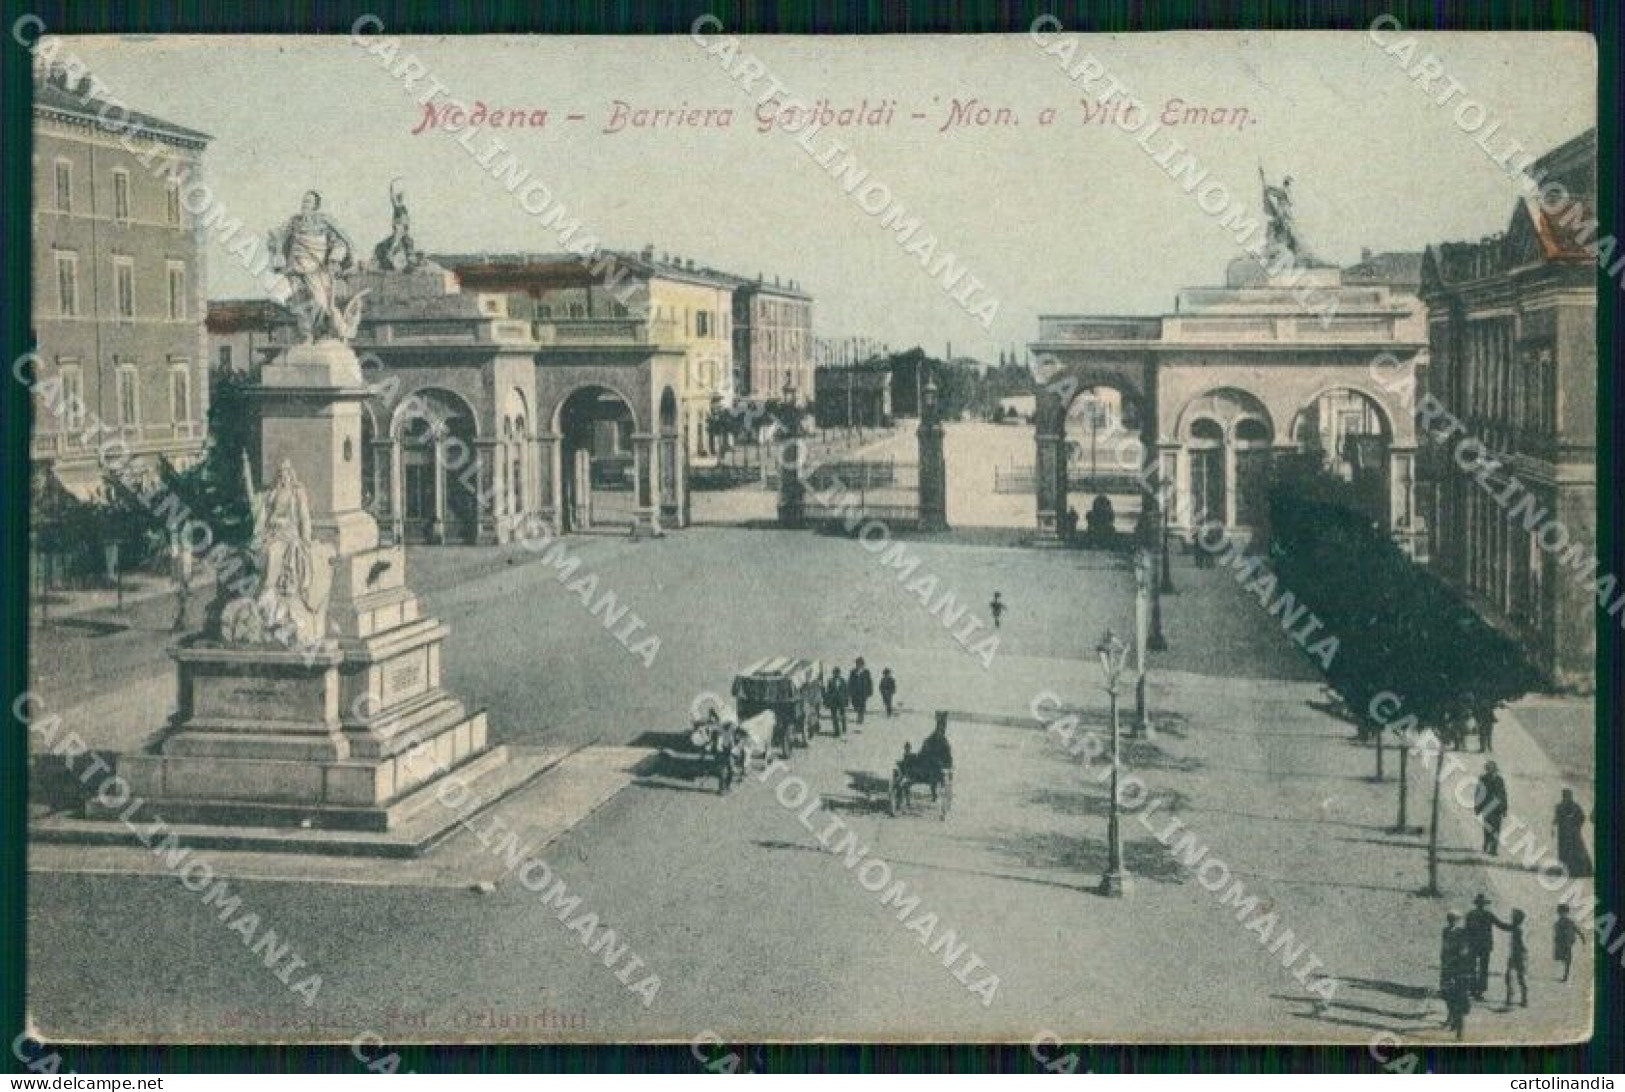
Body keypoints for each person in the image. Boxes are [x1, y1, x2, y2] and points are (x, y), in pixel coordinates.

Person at [1464, 893, 1507, 1000]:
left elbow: (1466, 931)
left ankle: (1473, 989)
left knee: (1472, 968)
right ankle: (1480, 991)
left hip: (1473, 945)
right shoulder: (1488, 914)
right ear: (1483, 904)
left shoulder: (1470, 914)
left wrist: (1465, 943)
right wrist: (1513, 926)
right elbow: (1501, 925)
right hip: (1485, 946)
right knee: (1483, 969)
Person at [1440, 912, 1471, 1039]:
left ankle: (1460, 1031)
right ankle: (1451, 1017)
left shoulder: (1461, 933)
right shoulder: (1445, 931)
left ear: (1458, 920)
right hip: (1446, 968)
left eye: (1454, 919)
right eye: (1450, 919)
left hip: (1459, 970)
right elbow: (1443, 949)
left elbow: (1464, 952)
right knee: (1446, 994)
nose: (1451, 921)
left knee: (1459, 998)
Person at [1554, 789, 1593, 879]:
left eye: (1567, 795)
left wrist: (1576, 826)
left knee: (1576, 851)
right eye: (1564, 796)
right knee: (1564, 852)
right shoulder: (1559, 807)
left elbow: (1582, 817)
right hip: (1563, 834)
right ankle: (1566, 869)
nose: (1566, 797)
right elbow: (1556, 818)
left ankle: (1580, 871)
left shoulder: (1575, 807)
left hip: (1573, 834)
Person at [1475, 761, 1508, 856]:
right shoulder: (1483, 779)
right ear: (1487, 770)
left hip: (1497, 809)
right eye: (1489, 770)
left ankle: (1493, 849)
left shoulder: (1500, 780)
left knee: (1497, 829)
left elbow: (1503, 794)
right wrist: (1477, 808)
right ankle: (1486, 843)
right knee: (1487, 828)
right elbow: (1478, 794)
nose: (1491, 772)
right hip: (1487, 807)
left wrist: (1504, 808)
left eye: (1492, 770)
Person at [1503, 908, 1528, 1008]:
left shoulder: (1517, 929)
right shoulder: (1517, 928)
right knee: (1516, 977)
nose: (1511, 918)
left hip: (1517, 956)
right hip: (1517, 955)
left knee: (1512, 977)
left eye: (1513, 917)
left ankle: (1513, 998)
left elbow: (1522, 944)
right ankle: (1522, 999)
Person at [1554, 904, 1584, 982]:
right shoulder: (1559, 922)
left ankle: (1565, 977)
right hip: (1562, 943)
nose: (1561, 914)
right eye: (1560, 912)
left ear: (1566, 913)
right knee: (1563, 959)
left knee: (1567, 960)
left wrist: (1582, 937)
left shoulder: (1568, 922)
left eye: (1563, 912)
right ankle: (1565, 976)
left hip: (1566, 943)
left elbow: (1576, 929)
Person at [824, 668, 848, 737]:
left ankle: (844, 728)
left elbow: (846, 691)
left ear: (839, 673)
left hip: (841, 701)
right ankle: (836, 731)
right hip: (833, 701)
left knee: (843, 715)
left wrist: (846, 701)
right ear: (833, 673)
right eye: (835, 673)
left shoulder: (843, 681)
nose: (836, 674)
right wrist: (828, 701)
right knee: (834, 717)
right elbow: (828, 691)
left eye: (837, 673)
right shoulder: (830, 681)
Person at [849, 658, 874, 726]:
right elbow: (850, 682)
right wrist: (850, 691)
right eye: (857, 664)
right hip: (855, 692)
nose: (859, 665)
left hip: (863, 692)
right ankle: (859, 714)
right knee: (856, 705)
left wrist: (870, 691)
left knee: (862, 705)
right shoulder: (853, 672)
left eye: (860, 664)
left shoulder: (866, 672)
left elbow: (869, 682)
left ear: (863, 664)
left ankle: (860, 718)